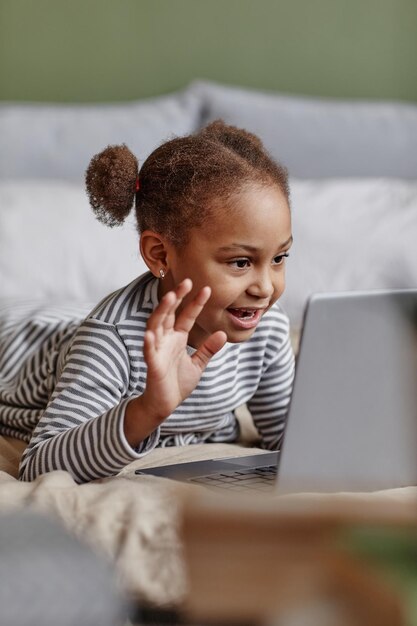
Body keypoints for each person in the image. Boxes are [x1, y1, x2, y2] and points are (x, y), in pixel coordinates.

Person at [0, 121, 294, 483]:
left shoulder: (269, 326)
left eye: (280, 258)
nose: (265, 288)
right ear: (160, 254)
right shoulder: (110, 342)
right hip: (22, 341)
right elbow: (39, 464)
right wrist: (147, 410)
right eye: (240, 262)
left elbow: (290, 437)